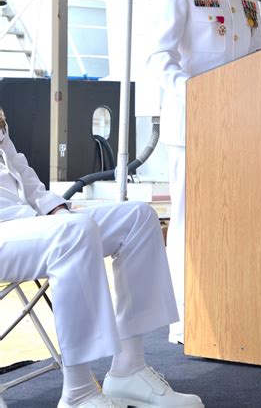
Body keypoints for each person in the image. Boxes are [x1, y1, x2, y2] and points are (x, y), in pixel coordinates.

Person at [0, 109, 204, 408]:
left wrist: (56, 208)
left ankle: (129, 368)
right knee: (74, 232)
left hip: (24, 222)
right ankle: (79, 393)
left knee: (137, 217)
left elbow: (18, 168)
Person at [147, 0, 261, 344]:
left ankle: (231, 305)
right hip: (195, 127)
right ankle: (187, 318)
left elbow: (260, 59)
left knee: (239, 218)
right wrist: (196, 94)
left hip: (242, 131)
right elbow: (157, 58)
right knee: (191, 224)